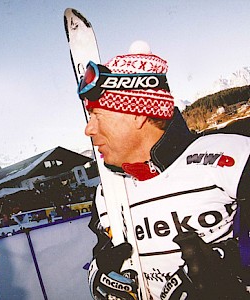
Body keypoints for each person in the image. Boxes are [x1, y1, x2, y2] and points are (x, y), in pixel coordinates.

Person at [79, 41, 250, 299]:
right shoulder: (107, 192)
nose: (88, 129)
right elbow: (99, 257)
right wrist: (100, 277)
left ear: (136, 113)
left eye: (97, 115)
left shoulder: (233, 156)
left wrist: (232, 275)